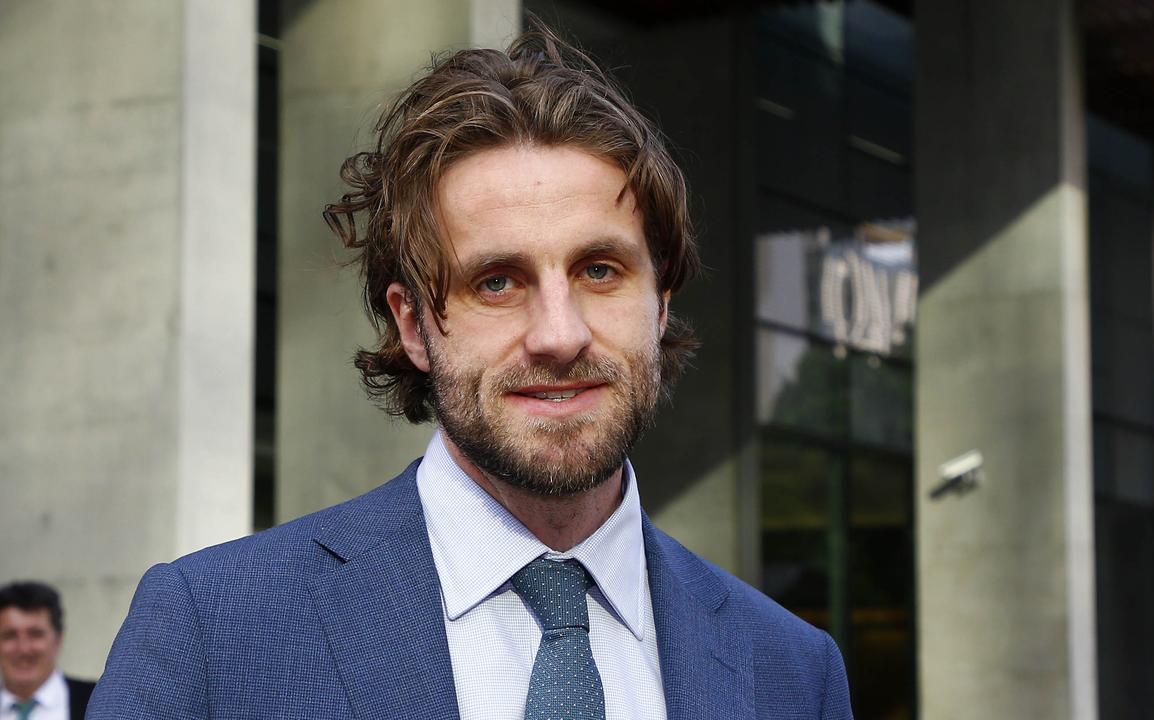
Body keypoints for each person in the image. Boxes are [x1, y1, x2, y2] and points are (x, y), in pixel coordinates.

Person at [89, 25, 853, 720]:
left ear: (659, 305)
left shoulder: (791, 670)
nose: (560, 334)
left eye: (599, 270)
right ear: (413, 325)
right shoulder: (213, 634)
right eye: (497, 281)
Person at [0, 582, 95, 720]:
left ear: (58, 639)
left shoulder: (98, 700)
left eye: (35, 634)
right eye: (10, 635)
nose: (24, 649)